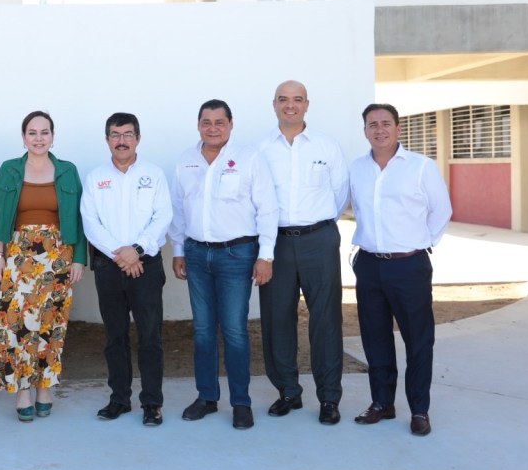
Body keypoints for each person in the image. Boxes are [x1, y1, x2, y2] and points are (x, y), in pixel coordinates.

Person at [169, 99, 277, 430]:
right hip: (196, 254)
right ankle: (207, 397)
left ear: (230, 125)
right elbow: (178, 208)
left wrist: (266, 255)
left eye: (219, 122)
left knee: (234, 331)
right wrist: (178, 249)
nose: (213, 128)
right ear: (198, 125)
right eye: (206, 122)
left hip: (236, 254)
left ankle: (241, 403)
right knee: (202, 330)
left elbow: (268, 208)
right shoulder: (185, 160)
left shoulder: (249, 158)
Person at [349, 103, 452, 437]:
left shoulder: (421, 167)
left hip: (409, 265)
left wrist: (419, 243)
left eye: (385, 123)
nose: (379, 130)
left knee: (418, 340)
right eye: (372, 124)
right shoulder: (357, 169)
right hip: (369, 265)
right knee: (375, 337)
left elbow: (442, 211)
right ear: (365, 130)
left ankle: (419, 409)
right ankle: (382, 403)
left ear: (398, 128)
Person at [257, 81, 349, 425]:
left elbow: (340, 193)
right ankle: (288, 392)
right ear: (274, 104)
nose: (290, 105)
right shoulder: (260, 149)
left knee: (325, 320)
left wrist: (316, 226)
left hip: (318, 240)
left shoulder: (327, 145)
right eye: (283, 99)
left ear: (307, 104)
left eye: (297, 100)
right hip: (276, 243)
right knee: (276, 319)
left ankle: (329, 398)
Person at [0, 110, 87, 422]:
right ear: (23, 137)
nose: (39, 138)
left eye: (45, 132)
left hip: (58, 256)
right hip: (19, 257)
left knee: (51, 324)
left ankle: (45, 387)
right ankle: (22, 390)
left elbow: (79, 217)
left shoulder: (67, 170)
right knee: (17, 324)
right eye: (32, 132)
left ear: (53, 137)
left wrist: (79, 258)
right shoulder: (9, 169)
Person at [80, 113, 172, 427]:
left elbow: (162, 217)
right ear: (107, 139)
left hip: (145, 266)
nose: (122, 141)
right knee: (114, 336)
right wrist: (121, 255)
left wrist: (137, 250)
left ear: (138, 138)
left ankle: (152, 403)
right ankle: (119, 399)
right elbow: (91, 223)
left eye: (128, 134)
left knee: (150, 337)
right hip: (109, 267)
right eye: (115, 135)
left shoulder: (154, 175)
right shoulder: (95, 178)